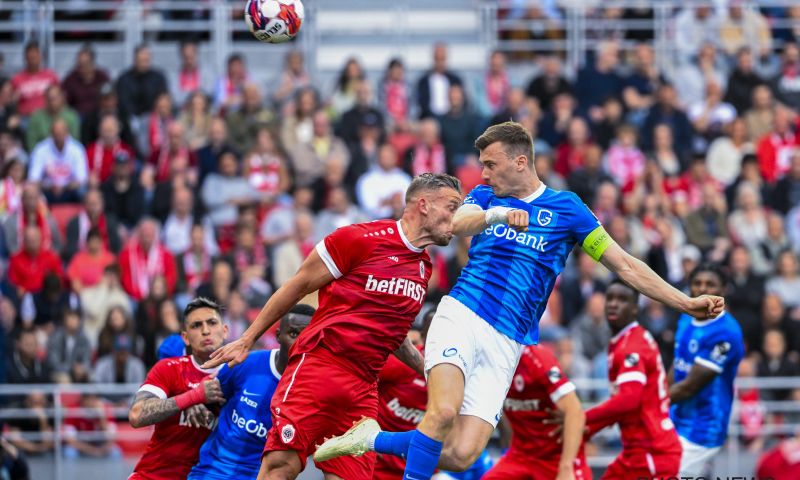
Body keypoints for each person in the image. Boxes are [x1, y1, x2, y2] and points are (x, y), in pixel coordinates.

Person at [315, 122, 722, 480]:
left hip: (508, 341)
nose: (484, 172)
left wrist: (684, 302)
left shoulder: (568, 210)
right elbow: (456, 224)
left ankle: (371, 438)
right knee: (440, 414)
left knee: (460, 454)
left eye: (490, 164)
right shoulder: (485, 196)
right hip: (462, 315)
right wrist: (496, 216)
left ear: (521, 162)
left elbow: (626, 266)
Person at [205, 173, 462, 480]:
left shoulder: (424, 268)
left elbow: (394, 336)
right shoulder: (359, 238)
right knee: (280, 467)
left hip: (364, 388)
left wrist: (430, 373)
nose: (458, 218)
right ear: (423, 205)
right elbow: (297, 285)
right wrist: (247, 339)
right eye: (452, 206)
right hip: (320, 366)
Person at [187, 305, 314, 480]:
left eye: (307, 336)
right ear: (278, 336)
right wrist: (195, 404)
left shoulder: (315, 390)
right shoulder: (246, 363)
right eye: (293, 334)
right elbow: (207, 392)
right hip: (212, 472)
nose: (300, 343)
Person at [581, 280, 682, 479]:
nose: (613, 304)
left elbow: (628, 399)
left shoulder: (631, 346)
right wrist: (585, 430)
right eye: (610, 298)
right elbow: (622, 406)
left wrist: (583, 419)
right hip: (635, 451)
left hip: (652, 452)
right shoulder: (626, 340)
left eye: (622, 299)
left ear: (635, 309)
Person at [127, 297, 228, 479]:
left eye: (212, 323)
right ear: (185, 338)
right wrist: (193, 397)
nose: (206, 331)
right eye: (196, 325)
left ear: (225, 330)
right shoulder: (169, 368)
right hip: (153, 475)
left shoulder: (239, 375)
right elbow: (137, 415)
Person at [669, 263, 745, 477]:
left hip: (703, 428)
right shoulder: (685, 318)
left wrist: (649, 403)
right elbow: (678, 364)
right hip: (675, 417)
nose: (703, 289)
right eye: (697, 283)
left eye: (710, 284)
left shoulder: (725, 333)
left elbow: (689, 387)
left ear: (723, 291)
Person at [483, 344, 589, 480]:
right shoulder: (488, 360)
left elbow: (575, 411)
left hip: (555, 457)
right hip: (520, 455)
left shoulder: (538, 359)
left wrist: (566, 467)